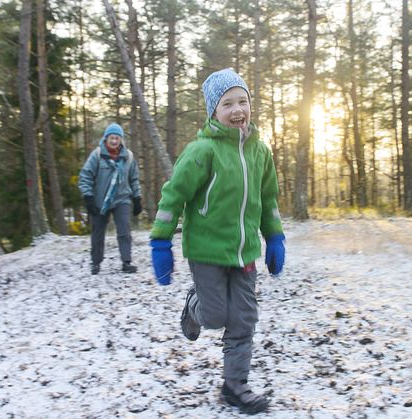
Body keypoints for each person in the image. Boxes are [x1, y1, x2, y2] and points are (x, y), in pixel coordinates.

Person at [149, 68, 285, 415]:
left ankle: (234, 386)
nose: (237, 110)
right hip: (207, 252)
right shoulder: (201, 151)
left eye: (243, 101)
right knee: (214, 317)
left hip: (245, 254)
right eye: (227, 104)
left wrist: (274, 237)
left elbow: (268, 199)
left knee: (243, 318)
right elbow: (172, 196)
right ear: (213, 111)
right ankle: (193, 305)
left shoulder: (260, 153)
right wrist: (160, 242)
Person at [78, 123, 142, 275]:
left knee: (124, 230)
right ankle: (96, 263)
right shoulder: (97, 155)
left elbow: (134, 179)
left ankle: (126, 262)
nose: (114, 141)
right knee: (98, 232)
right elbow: (85, 176)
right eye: (112, 138)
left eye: (117, 138)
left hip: (122, 199)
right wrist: (88, 197)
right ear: (106, 138)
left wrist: (137, 197)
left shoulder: (128, 157)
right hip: (101, 201)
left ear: (121, 139)